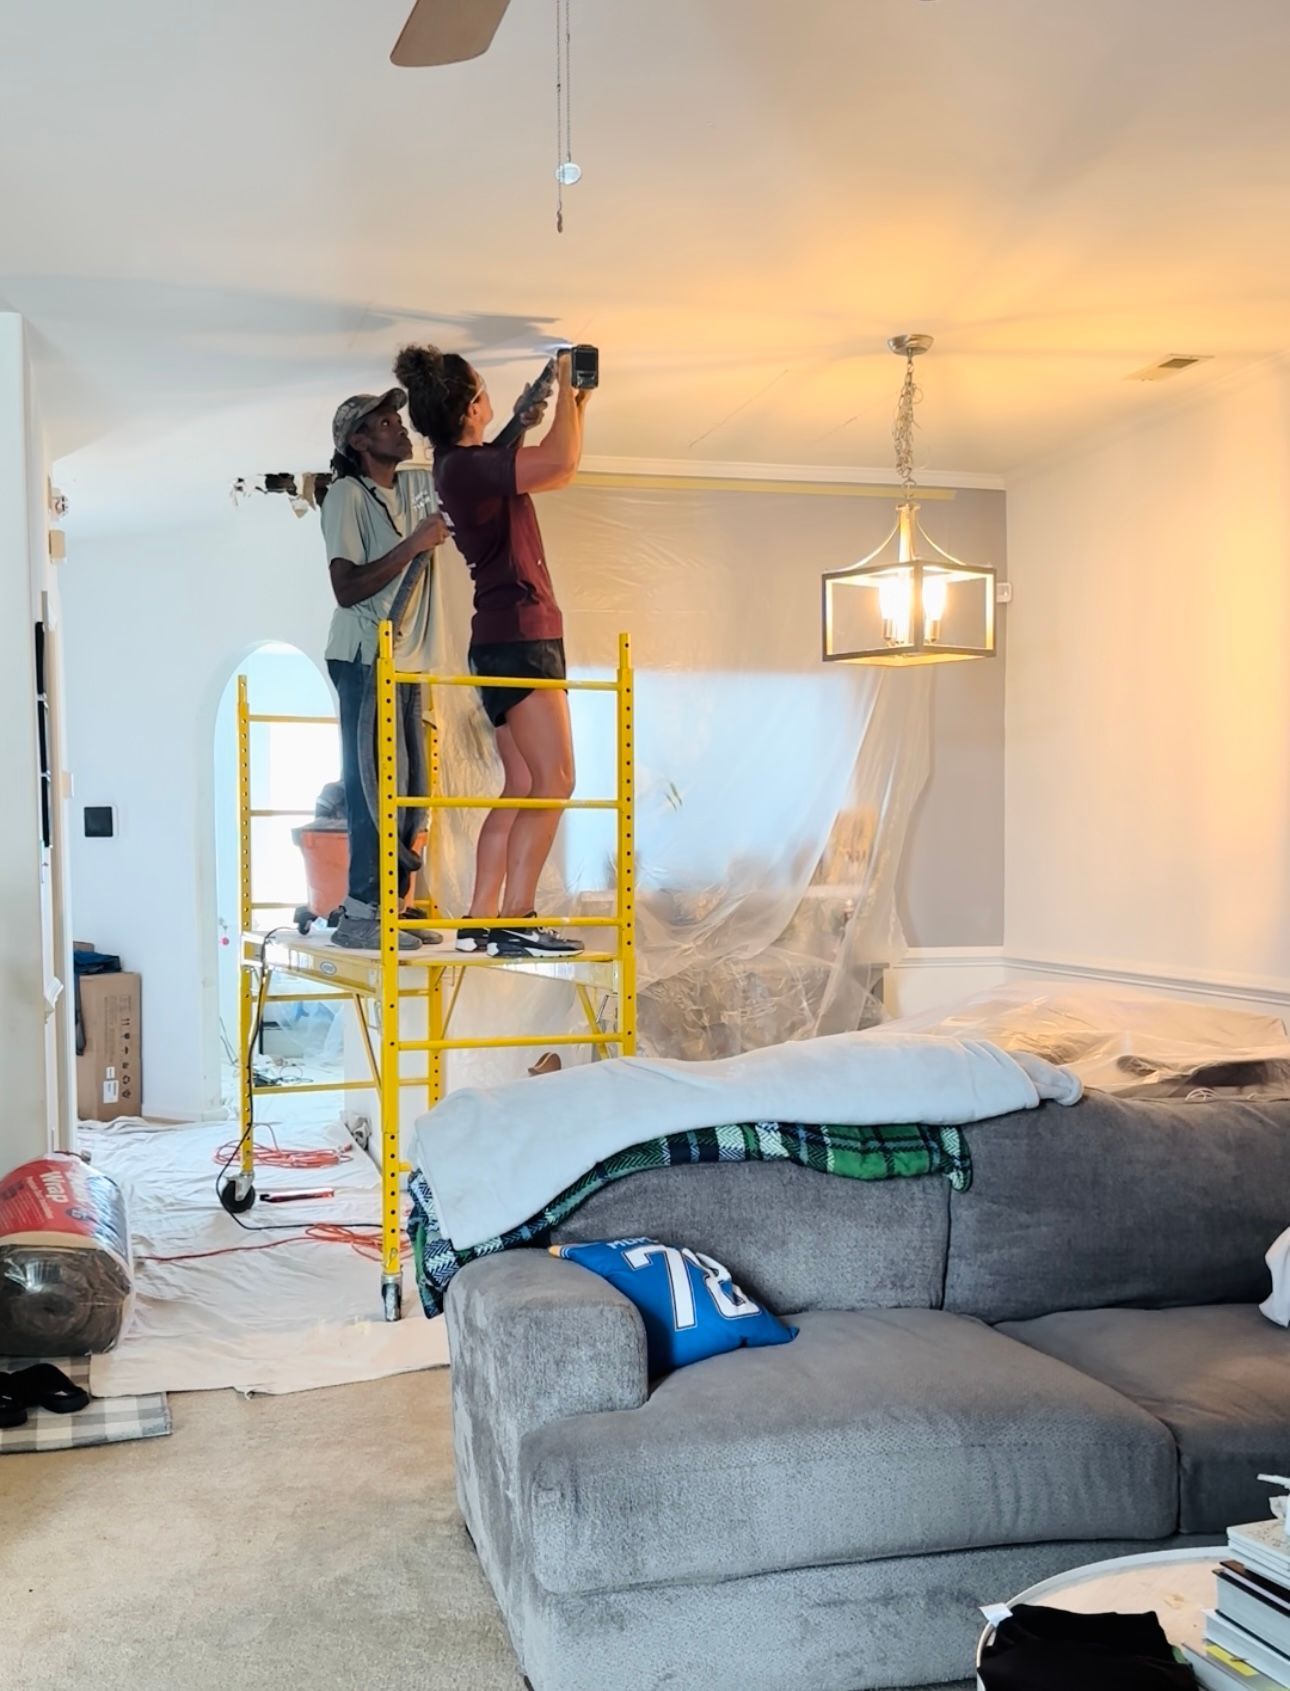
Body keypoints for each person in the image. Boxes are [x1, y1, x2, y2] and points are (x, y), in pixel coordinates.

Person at [392, 346, 589, 959]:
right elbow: (561, 464)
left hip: (504, 636)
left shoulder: (458, 465)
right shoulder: (465, 468)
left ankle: (484, 918)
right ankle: (517, 919)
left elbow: (540, 457)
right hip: (521, 634)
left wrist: (572, 403)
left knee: (526, 780)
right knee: (556, 780)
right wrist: (563, 383)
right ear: (474, 404)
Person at [320, 390, 448, 951]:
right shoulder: (346, 495)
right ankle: (361, 911)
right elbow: (346, 587)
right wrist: (414, 545)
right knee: (372, 781)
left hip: (405, 657)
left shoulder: (407, 493)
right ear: (358, 441)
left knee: (410, 783)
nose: (400, 430)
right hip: (362, 654)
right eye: (385, 424)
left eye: (399, 420)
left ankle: (393, 904)